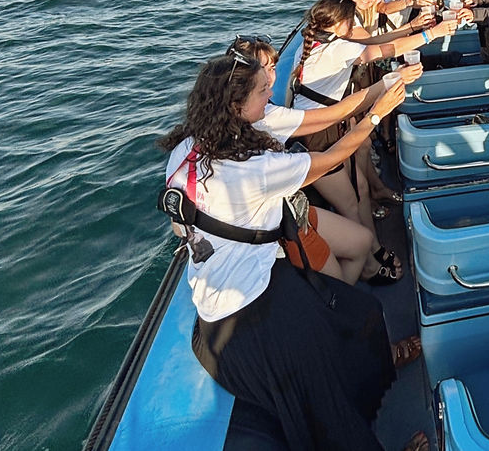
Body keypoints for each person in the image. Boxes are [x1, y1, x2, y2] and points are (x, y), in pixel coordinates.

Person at [158, 54, 425, 450]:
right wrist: (374, 115)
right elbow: (332, 158)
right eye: (264, 91)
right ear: (235, 107)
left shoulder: (186, 150)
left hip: (226, 301)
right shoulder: (255, 168)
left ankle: (380, 361)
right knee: (323, 401)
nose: (271, 90)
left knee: (359, 314)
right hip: (252, 312)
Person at [227, 34, 422, 283]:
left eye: (272, 68)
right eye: (262, 73)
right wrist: (376, 113)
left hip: (291, 205)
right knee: (340, 266)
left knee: (360, 232)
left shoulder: (262, 114)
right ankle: (343, 297)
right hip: (277, 226)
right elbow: (331, 148)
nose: (270, 80)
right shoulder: (265, 124)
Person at [292, 0, 458, 236]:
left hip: (323, 126)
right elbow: (388, 50)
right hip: (319, 136)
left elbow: (372, 45)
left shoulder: (315, 42)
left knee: (359, 186)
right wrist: (432, 33)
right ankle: (368, 255)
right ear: (341, 24)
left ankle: (373, 245)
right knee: (349, 201)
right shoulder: (337, 49)